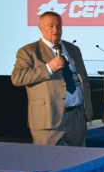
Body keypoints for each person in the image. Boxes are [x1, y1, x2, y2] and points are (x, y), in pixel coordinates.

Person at [11, 11, 93, 146]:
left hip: (75, 118)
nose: (55, 29)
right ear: (40, 28)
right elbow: (17, 78)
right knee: (47, 163)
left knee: (77, 162)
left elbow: (84, 79)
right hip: (47, 120)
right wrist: (48, 68)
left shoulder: (73, 49)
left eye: (58, 25)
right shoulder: (29, 51)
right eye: (50, 26)